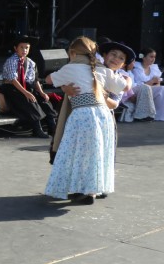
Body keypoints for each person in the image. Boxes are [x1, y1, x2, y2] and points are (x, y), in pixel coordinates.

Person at [45, 37, 127, 204]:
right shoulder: (102, 69)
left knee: (75, 152)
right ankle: (91, 190)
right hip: (103, 115)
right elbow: (123, 86)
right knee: (96, 153)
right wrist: (129, 80)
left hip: (83, 114)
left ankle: (82, 189)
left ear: (72, 53)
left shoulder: (71, 67)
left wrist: (64, 86)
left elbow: (48, 80)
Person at [0, 36, 58, 138]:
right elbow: (13, 80)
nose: (24, 50)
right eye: (21, 47)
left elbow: (35, 80)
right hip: (12, 88)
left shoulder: (30, 62)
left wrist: (41, 92)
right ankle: (37, 129)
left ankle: (52, 127)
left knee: (43, 99)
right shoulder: (11, 61)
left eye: (27, 48)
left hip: (26, 87)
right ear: (15, 48)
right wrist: (26, 93)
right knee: (30, 100)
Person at [130, 48, 164, 121]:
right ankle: (160, 115)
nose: (153, 59)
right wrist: (152, 81)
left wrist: (155, 84)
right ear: (143, 57)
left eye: (154, 57)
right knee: (162, 89)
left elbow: (158, 84)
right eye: (151, 56)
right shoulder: (136, 68)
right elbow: (138, 85)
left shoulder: (154, 68)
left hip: (151, 88)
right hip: (140, 90)